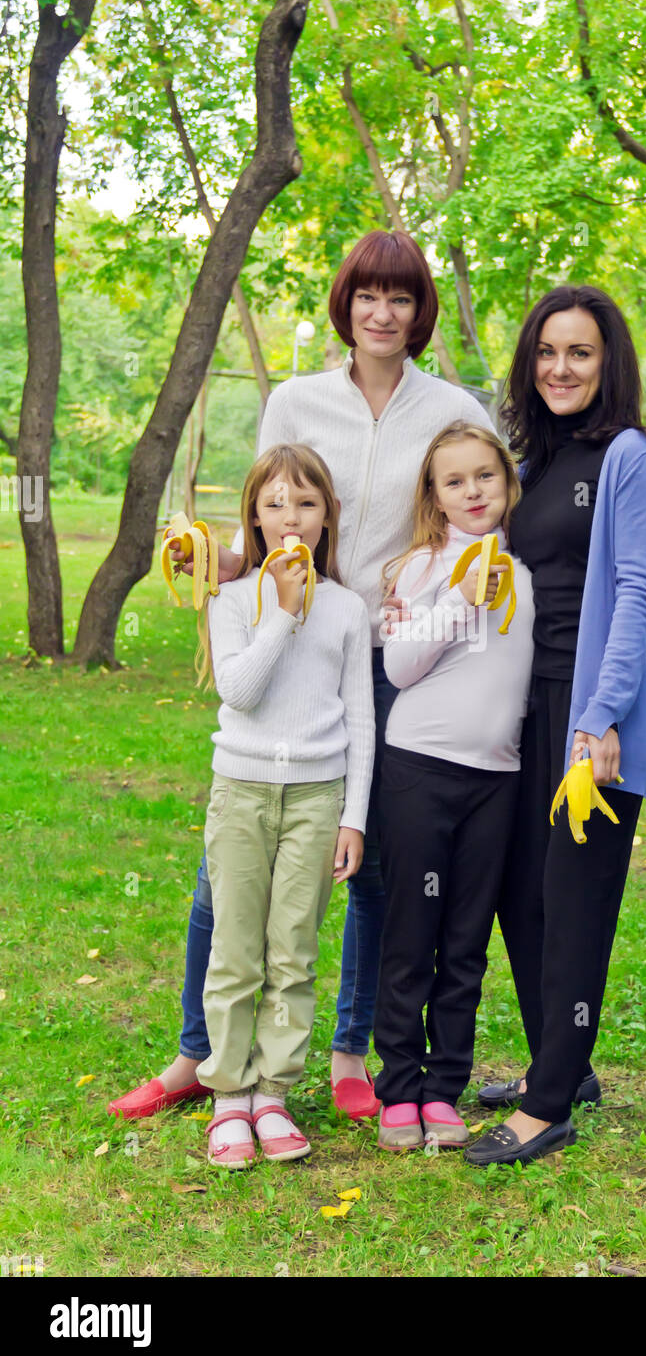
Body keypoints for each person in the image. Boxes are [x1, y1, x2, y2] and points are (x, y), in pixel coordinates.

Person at [107, 230, 491, 1124]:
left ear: (420, 311)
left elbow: (473, 519)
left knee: (369, 863)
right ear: (346, 305)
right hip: (291, 638)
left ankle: (348, 1052)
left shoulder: (450, 406)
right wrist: (216, 560)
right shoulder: (296, 398)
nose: (383, 313)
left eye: (401, 298)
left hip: (393, 655)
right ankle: (197, 1056)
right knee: (224, 876)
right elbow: (266, 506)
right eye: (368, 296)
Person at [464, 285, 646, 1167]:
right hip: (527, 705)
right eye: (547, 352)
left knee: (576, 905)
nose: (560, 367)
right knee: (524, 894)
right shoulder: (538, 458)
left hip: (590, 721)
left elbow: (638, 594)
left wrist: (606, 711)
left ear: (609, 362)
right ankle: (566, 1060)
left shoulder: (635, 460)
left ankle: (549, 1104)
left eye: (579, 353)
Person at [196, 443, 374, 1167]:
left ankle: (273, 1093)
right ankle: (229, 1096)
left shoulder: (347, 609)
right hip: (241, 792)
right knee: (236, 950)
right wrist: (282, 612)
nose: (290, 518)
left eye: (306, 502)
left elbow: (361, 719)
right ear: (255, 516)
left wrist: (354, 815)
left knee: (292, 953)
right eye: (274, 504)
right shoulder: (232, 598)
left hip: (316, 796)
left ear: (328, 513)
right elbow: (239, 691)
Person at [372, 423, 534, 1152]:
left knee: (466, 939)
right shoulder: (421, 568)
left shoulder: (530, 567)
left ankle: (445, 1088)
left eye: (485, 477)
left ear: (507, 481)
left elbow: (564, 646)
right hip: (419, 767)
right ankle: (398, 1088)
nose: (474, 492)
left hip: (496, 778)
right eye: (455, 482)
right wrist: (461, 593)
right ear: (434, 499)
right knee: (414, 933)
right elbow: (402, 669)